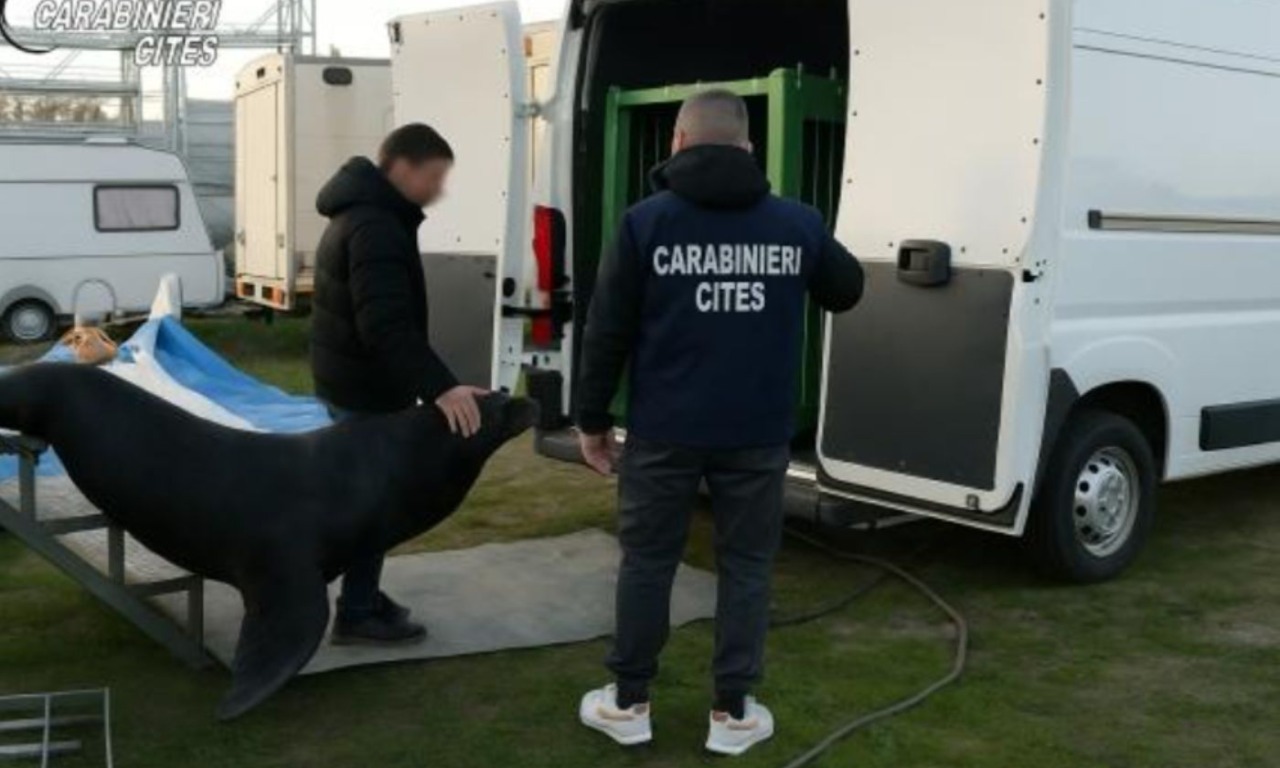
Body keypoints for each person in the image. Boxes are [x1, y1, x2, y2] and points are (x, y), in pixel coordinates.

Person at [575, 90, 864, 756]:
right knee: (747, 567)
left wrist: (591, 420)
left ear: (676, 143)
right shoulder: (796, 222)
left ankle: (628, 702)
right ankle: (732, 713)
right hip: (756, 434)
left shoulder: (645, 222)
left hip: (663, 430)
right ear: (748, 147)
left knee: (647, 563)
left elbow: (607, 329)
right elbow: (847, 290)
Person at [311, 123, 487, 645]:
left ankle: (361, 597)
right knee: (373, 505)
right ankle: (357, 613)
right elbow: (385, 326)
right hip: (364, 393)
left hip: (349, 384)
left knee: (369, 501)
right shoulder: (375, 226)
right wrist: (444, 388)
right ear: (403, 168)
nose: (439, 190)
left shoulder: (363, 214)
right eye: (434, 177)